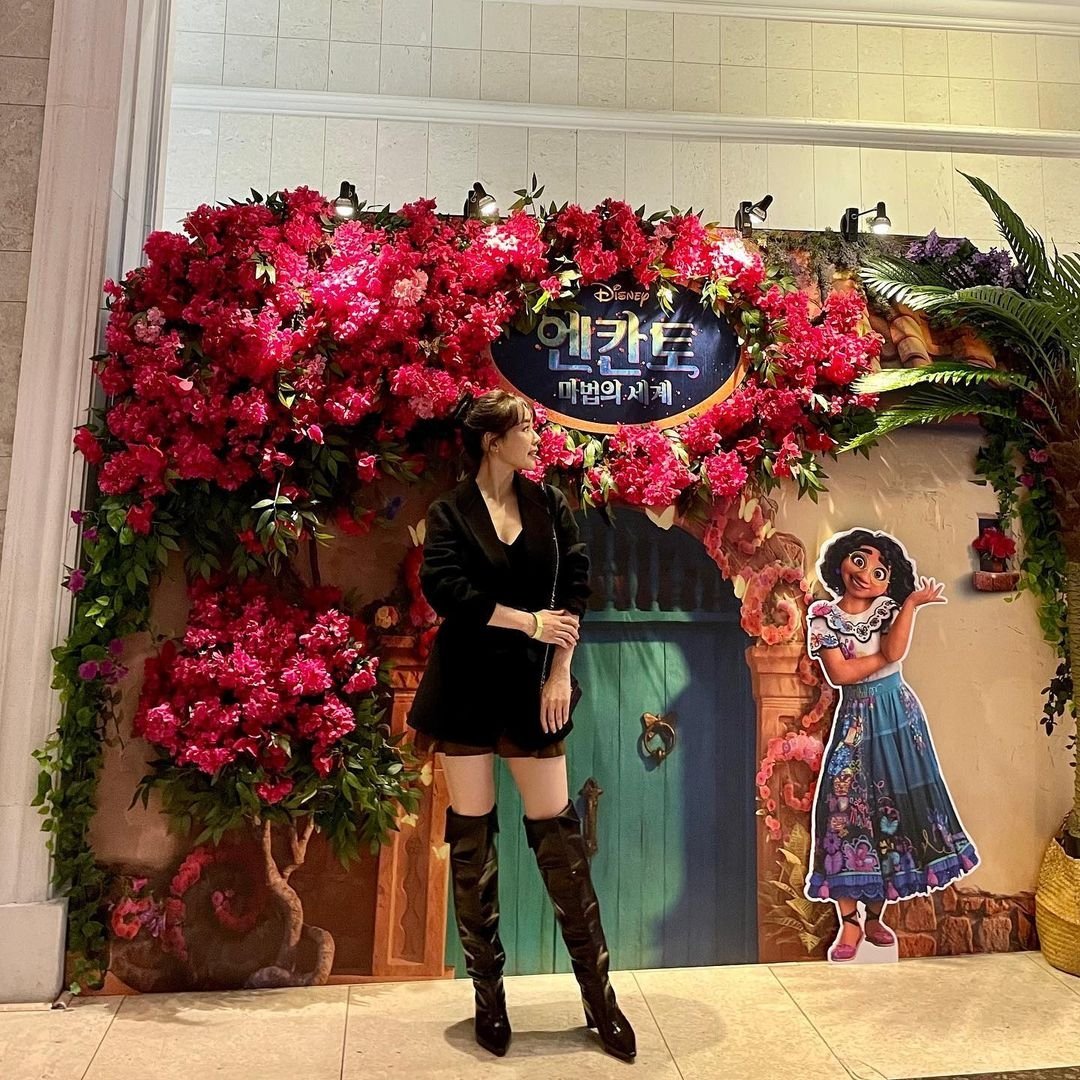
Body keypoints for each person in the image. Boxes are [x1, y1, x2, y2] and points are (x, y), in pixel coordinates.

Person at [407, 389, 636, 1062]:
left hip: (533, 688)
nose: (536, 438)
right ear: (492, 441)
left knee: (560, 841)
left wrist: (559, 670)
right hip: (463, 689)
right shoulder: (450, 511)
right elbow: (447, 591)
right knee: (472, 845)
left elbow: (576, 590)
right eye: (526, 428)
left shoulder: (549, 505)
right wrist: (526, 621)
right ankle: (489, 997)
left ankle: (600, 998)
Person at [804, 528, 979, 962]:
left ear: (889, 584)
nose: (866, 575)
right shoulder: (824, 617)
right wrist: (881, 657)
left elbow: (896, 651)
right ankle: (848, 921)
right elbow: (840, 674)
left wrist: (912, 605)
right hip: (856, 719)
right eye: (859, 561)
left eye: (880, 572)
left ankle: (876, 917)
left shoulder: (889, 611)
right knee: (844, 812)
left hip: (897, 717)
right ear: (841, 559)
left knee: (891, 812)